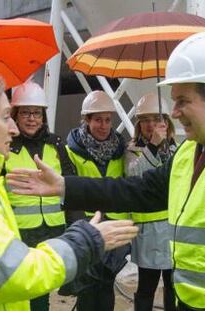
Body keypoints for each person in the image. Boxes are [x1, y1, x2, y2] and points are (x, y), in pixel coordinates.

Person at [7, 32, 205, 310]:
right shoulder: (191, 151)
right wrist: (65, 186)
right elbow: (139, 191)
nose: (174, 112)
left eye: (183, 100)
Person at [0, 75, 138, 311]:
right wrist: (83, 241)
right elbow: (17, 275)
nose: (13, 128)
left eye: (36, 113)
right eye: (6, 117)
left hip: (51, 235)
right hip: (31, 242)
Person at [5, 80, 76, 310]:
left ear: (43, 116)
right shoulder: (6, 146)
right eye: (25, 112)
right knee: (23, 289)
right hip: (20, 232)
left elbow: (71, 185)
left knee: (43, 290)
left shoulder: (56, 144)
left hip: (53, 230)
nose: (32, 118)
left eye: (36, 113)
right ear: (15, 115)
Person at [65, 90, 129, 311]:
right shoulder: (71, 151)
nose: (104, 125)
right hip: (88, 226)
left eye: (108, 120)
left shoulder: (121, 151)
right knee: (87, 287)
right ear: (86, 120)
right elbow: (69, 194)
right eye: (98, 120)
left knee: (106, 285)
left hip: (115, 226)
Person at [125, 93, 176, 311]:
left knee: (174, 288)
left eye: (156, 118)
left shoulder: (177, 149)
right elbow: (135, 175)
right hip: (148, 233)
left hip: (173, 230)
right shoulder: (131, 150)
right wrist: (153, 147)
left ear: (166, 122)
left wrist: (164, 149)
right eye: (145, 119)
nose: (150, 124)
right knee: (147, 287)